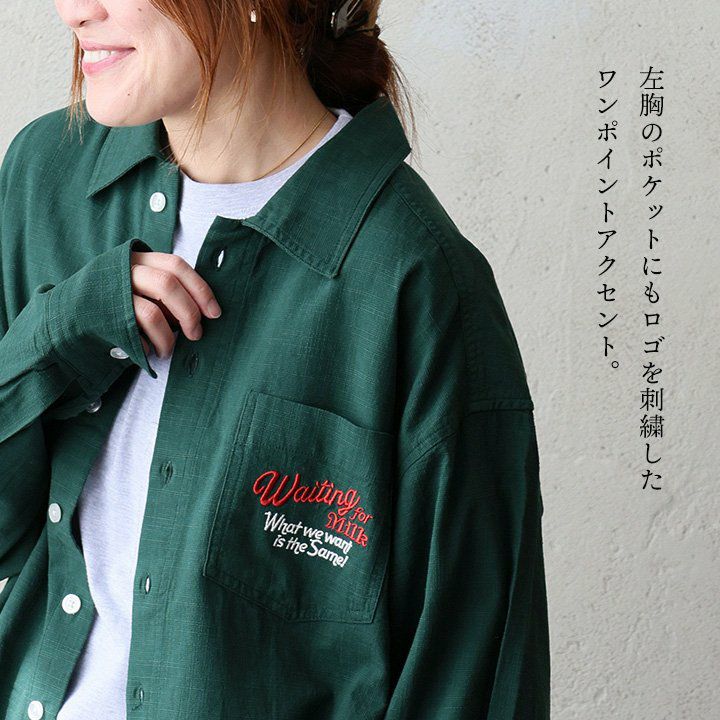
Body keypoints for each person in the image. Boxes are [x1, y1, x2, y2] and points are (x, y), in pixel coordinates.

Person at [0, 0, 551, 718]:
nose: (73, 11)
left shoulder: (419, 286)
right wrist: (57, 337)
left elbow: (469, 684)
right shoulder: (46, 177)